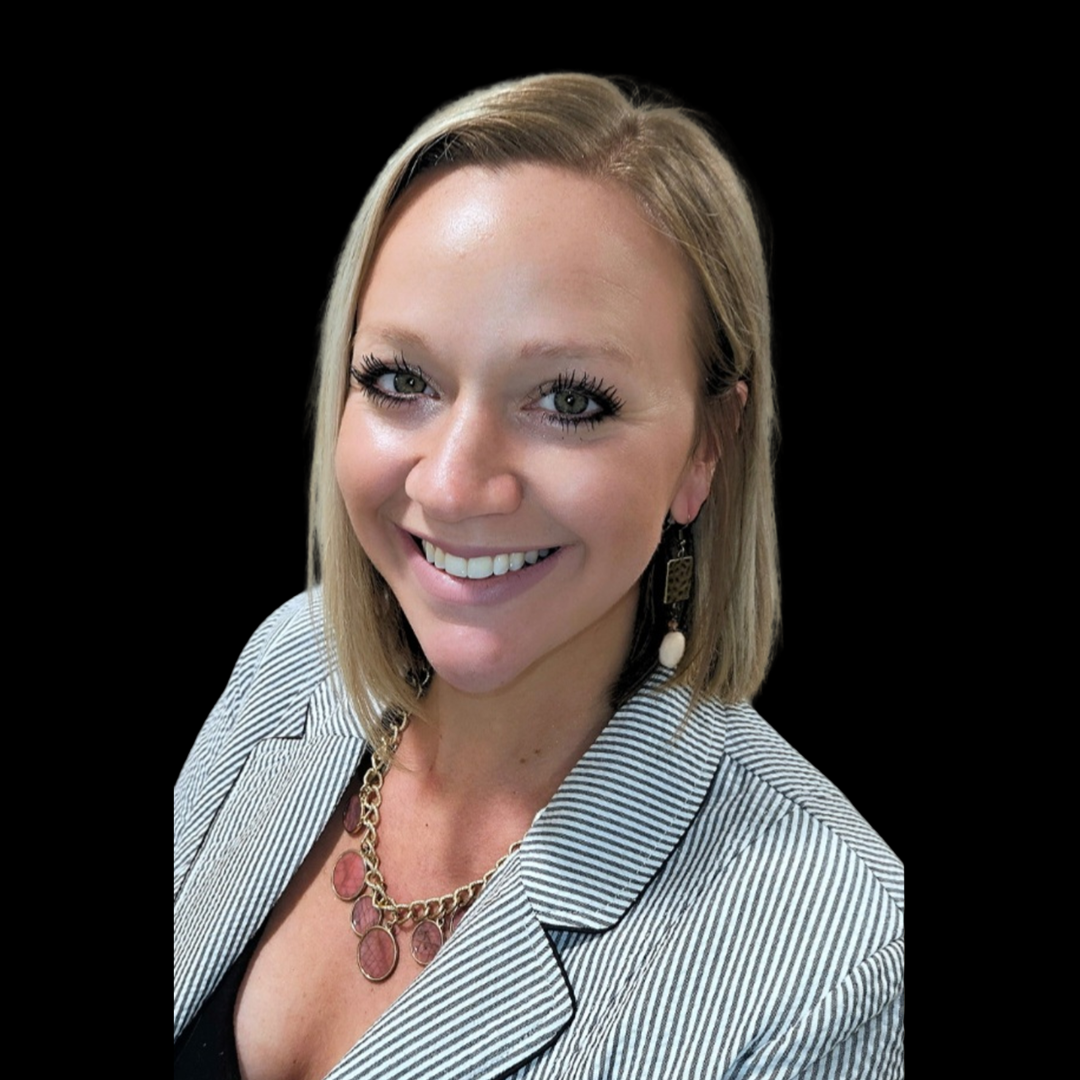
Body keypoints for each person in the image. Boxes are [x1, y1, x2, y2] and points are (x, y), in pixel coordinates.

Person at [174, 73, 904, 1079]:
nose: (456, 482)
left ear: (708, 449)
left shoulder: (841, 958)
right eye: (401, 380)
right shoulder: (291, 664)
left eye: (568, 398)